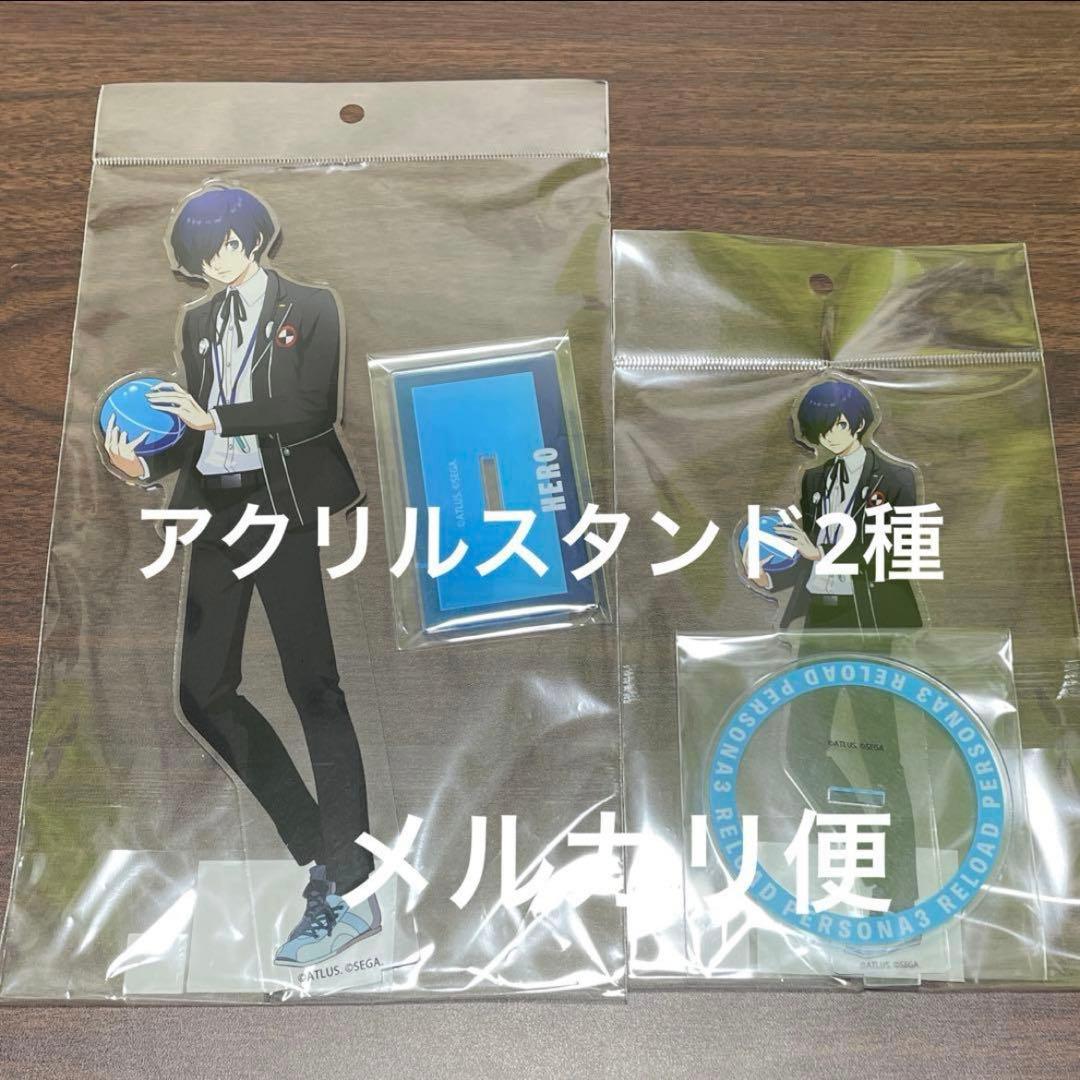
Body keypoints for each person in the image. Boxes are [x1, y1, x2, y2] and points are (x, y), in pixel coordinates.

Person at [103, 185, 380, 967]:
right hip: (217, 506)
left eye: (226, 246)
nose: (217, 263)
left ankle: (352, 889)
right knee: (202, 691)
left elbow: (312, 408)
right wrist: (144, 466)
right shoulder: (198, 323)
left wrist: (218, 418)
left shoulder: (312, 306)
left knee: (313, 686)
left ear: (253, 239)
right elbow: (192, 432)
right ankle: (324, 853)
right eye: (202, 256)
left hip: (281, 504)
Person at [742, 378, 924, 912]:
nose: (831, 437)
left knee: (881, 755)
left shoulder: (897, 479)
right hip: (820, 623)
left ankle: (902, 891)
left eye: (839, 425)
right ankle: (870, 848)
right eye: (821, 431)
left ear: (860, 422)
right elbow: (804, 560)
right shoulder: (815, 480)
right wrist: (767, 576)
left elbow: (894, 557)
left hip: (870, 625)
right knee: (802, 751)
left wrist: (822, 553)